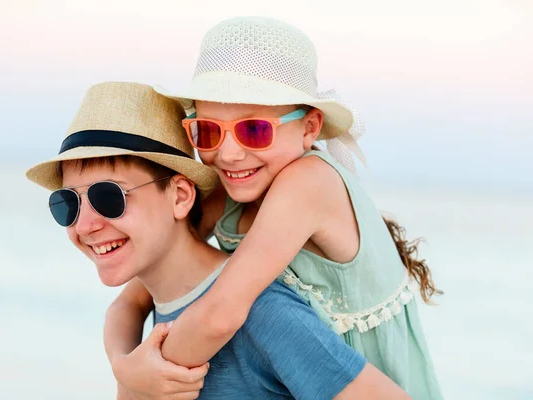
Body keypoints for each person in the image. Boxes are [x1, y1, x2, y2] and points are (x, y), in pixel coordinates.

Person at [106, 16, 444, 399]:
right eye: (208, 131)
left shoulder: (308, 182)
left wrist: (142, 387)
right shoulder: (232, 188)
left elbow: (220, 314)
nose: (229, 153)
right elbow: (132, 299)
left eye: (254, 130)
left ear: (310, 127)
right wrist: (124, 365)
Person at [26, 81, 410, 399]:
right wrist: (125, 369)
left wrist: (133, 386)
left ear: (180, 197)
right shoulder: (165, 298)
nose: (86, 225)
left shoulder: (262, 311)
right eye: (68, 204)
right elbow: (125, 306)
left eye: (109, 198)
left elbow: (219, 317)